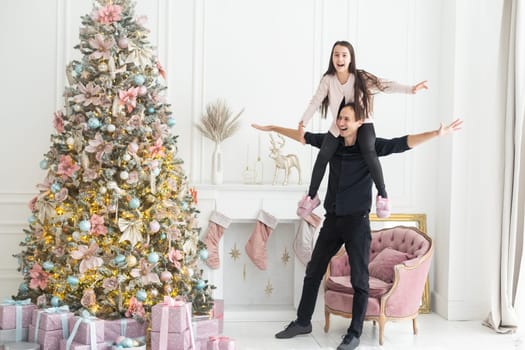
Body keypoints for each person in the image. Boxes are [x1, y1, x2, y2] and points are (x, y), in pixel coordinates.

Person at [252, 103, 462, 350]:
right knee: (313, 271)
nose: (341, 122)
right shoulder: (332, 144)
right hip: (332, 221)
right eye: (339, 117)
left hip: (357, 224)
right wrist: (273, 128)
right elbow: (303, 137)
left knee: (360, 280)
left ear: (359, 122)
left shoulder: (370, 148)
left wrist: (436, 134)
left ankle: (354, 333)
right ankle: (303, 321)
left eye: (346, 118)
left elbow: (402, 143)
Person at [297, 40, 428, 219]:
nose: (340, 58)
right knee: (323, 156)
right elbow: (315, 101)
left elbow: (385, 85)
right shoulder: (328, 80)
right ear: (332, 58)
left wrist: (410, 89)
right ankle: (311, 197)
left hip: (363, 121)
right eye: (336, 55)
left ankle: (383, 196)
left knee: (369, 150)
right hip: (340, 123)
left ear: (350, 59)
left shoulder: (360, 78)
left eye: (344, 55)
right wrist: (303, 122)